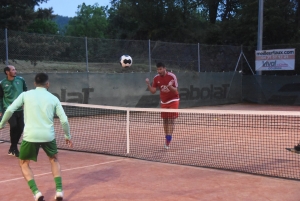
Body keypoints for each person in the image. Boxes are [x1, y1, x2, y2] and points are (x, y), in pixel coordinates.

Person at [0, 73, 73, 201]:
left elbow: (10, 110)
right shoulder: (53, 98)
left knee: (23, 163)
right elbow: (64, 120)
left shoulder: (25, 95)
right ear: (47, 84)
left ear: (34, 84)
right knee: (54, 160)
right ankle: (59, 191)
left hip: (30, 136)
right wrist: (67, 135)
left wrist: (1, 124)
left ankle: (36, 193)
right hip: (48, 136)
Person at [145, 62, 180, 149]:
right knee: (165, 120)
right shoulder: (156, 78)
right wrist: (148, 84)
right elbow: (153, 91)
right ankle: (166, 137)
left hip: (173, 100)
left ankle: (168, 139)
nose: (159, 71)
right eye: (157, 69)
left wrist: (170, 87)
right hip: (164, 102)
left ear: (165, 68)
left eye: (160, 69)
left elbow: (175, 91)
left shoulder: (172, 76)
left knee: (171, 119)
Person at [0, 65, 27, 157]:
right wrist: (0, 109)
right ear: (7, 72)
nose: (15, 71)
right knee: (14, 126)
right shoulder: (2, 83)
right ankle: (14, 148)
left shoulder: (21, 80)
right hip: (8, 109)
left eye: (15, 69)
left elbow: (25, 92)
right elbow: (0, 98)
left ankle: (13, 147)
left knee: (21, 127)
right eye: (13, 70)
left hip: (20, 109)